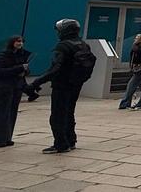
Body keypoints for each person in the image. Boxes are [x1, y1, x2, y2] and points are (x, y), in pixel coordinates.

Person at [29, 19, 96, 154]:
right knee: (69, 112)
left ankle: (61, 144)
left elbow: (55, 68)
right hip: (76, 84)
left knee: (57, 115)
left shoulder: (63, 46)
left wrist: (37, 82)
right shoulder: (83, 44)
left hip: (62, 84)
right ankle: (71, 140)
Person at [0, 35, 31, 148]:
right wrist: (19, 68)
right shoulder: (3, 55)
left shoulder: (21, 56)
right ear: (12, 42)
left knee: (12, 113)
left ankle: (6, 137)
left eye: (21, 41)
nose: (20, 43)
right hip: (3, 88)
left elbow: (24, 70)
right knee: (1, 113)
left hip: (15, 88)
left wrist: (25, 71)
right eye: (17, 41)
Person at [119, 34, 141, 110]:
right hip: (134, 67)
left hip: (140, 68)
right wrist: (131, 66)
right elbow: (132, 56)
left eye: (137, 38)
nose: (135, 39)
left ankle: (125, 103)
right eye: (136, 38)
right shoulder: (135, 46)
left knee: (131, 85)